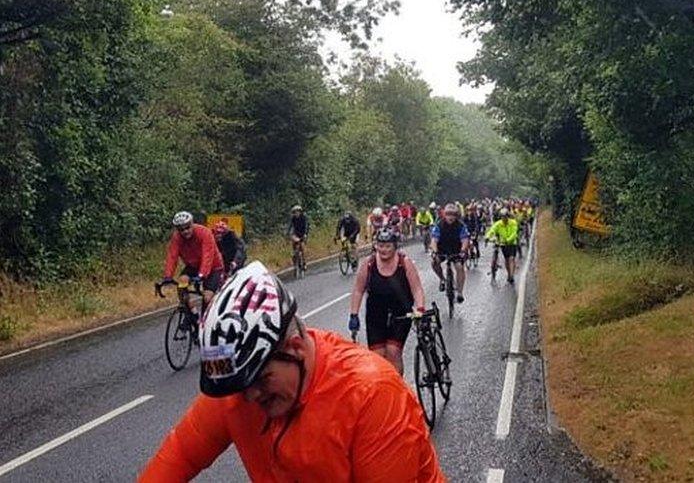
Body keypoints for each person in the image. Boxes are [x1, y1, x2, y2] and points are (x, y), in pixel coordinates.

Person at [140, 261, 445, 482]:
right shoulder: (241, 384)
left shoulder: (372, 394)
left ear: (296, 349)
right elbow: (180, 455)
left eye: (260, 379)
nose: (249, 396)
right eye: (240, 385)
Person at [348, 228, 427, 374]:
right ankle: (385, 390)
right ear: (375, 246)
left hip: (401, 313)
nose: (383, 250)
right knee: (378, 358)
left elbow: (417, 289)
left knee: (393, 352)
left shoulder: (405, 262)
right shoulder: (369, 264)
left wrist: (420, 308)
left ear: (395, 246)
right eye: (380, 245)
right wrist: (354, 315)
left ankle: (397, 390)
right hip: (376, 314)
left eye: (387, 246)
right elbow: (358, 290)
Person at [160, 211, 224, 309]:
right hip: (194, 266)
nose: (185, 231)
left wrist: (202, 275)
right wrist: (168, 276)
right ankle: (191, 313)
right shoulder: (177, 237)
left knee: (207, 297)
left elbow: (207, 256)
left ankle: (207, 321)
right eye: (181, 229)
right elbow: (172, 256)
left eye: (187, 227)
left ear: (192, 224)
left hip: (213, 267)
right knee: (182, 283)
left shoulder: (204, 232)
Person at [430, 203, 470, 303]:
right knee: (434, 262)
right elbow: (434, 240)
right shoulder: (439, 224)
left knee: (459, 267)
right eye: (448, 214)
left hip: (456, 250)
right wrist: (434, 252)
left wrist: (462, 250)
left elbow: (465, 240)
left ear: (456, 215)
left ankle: (460, 292)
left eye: (453, 214)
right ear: (445, 215)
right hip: (442, 249)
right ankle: (442, 279)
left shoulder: (461, 226)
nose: (450, 217)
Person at [486, 208, 520, 284]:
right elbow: (492, 230)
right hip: (503, 244)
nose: (504, 218)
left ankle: (511, 276)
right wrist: (487, 236)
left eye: (505, 217)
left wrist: (508, 240)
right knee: (507, 259)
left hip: (512, 243)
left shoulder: (513, 223)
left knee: (511, 258)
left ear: (508, 216)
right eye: (502, 217)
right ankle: (509, 274)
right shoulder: (498, 224)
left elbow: (514, 233)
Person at [287, 205, 309, 270]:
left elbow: (307, 226)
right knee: (294, 247)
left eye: (298, 212)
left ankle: (304, 263)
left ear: (300, 212)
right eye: (295, 212)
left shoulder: (304, 218)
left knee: (302, 247)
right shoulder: (293, 218)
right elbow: (290, 226)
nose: (296, 213)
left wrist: (305, 234)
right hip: (296, 234)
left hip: (303, 234)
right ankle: (295, 259)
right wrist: (288, 233)